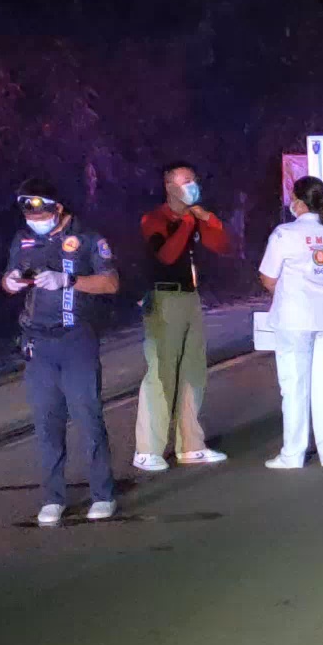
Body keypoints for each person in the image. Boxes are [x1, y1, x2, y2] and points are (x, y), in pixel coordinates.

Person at [2, 180, 119, 525]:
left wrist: (68, 280)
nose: (35, 221)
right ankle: (53, 498)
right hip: (38, 342)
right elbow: (8, 278)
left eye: (41, 215)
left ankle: (103, 494)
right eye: (30, 215)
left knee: (87, 417)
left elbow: (111, 283)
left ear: (59, 209)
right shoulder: (23, 239)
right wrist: (10, 282)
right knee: (46, 422)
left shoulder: (88, 238)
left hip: (76, 339)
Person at [134, 161, 232, 472]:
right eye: (185, 181)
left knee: (193, 372)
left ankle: (191, 445)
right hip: (164, 298)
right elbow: (166, 255)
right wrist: (188, 223)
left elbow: (221, 244)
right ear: (170, 187)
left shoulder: (194, 216)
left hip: (190, 297)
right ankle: (148, 449)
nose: (192, 186)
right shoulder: (155, 219)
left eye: (193, 180)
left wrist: (207, 219)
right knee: (162, 372)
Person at [259, 176, 323, 469]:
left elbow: (268, 277)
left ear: (298, 201)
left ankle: (293, 454)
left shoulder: (284, 233)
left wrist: (291, 290)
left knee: (295, 386)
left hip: (294, 316)